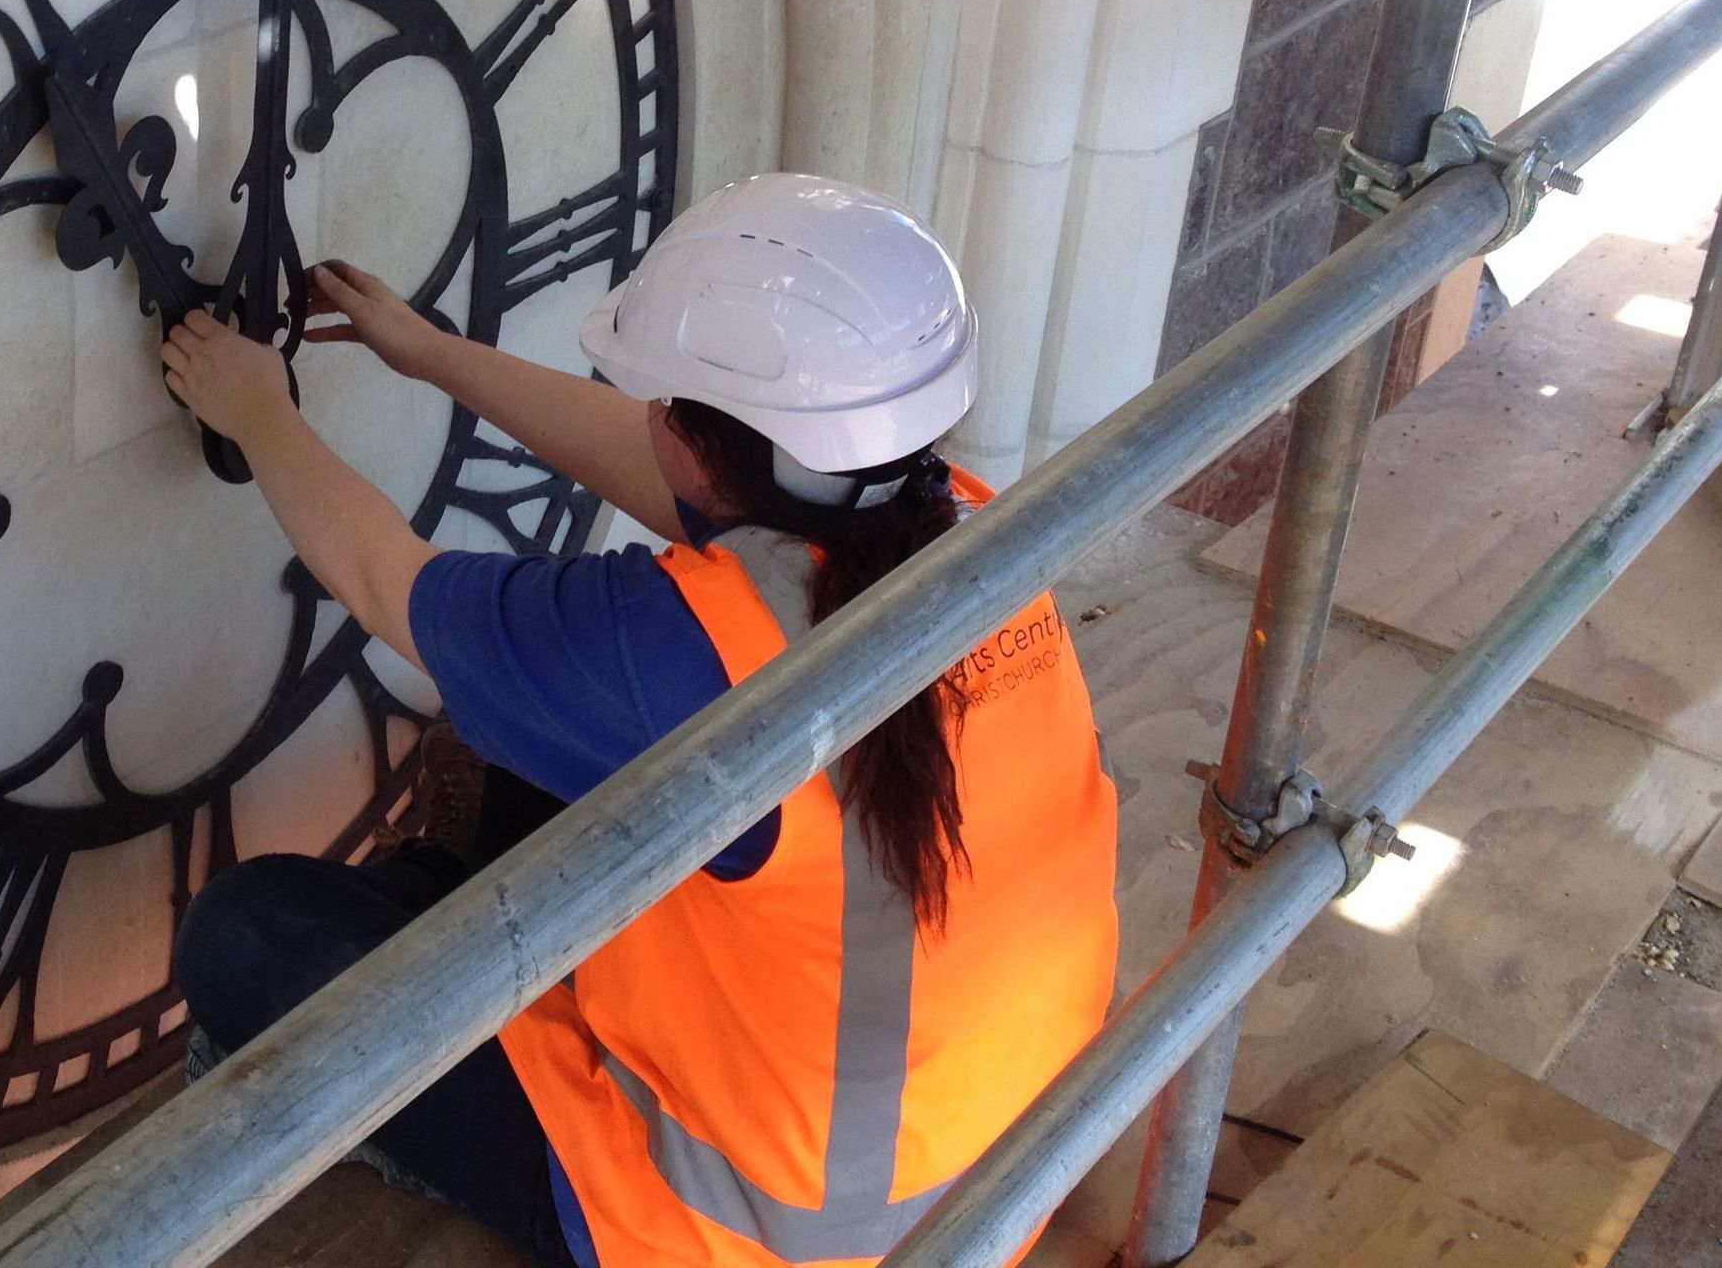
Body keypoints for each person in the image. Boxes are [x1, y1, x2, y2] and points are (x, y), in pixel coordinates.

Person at [159, 172, 1119, 1268]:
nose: (647, 420)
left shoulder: (687, 651)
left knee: (243, 935)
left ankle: (431, 1075)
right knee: (535, 738)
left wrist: (257, 410)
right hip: (1000, 1149)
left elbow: (388, 583)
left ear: (713, 448)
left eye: (665, 408)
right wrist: (427, 351)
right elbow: (683, 473)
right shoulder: (958, 524)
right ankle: (452, 931)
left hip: (751, 1230)